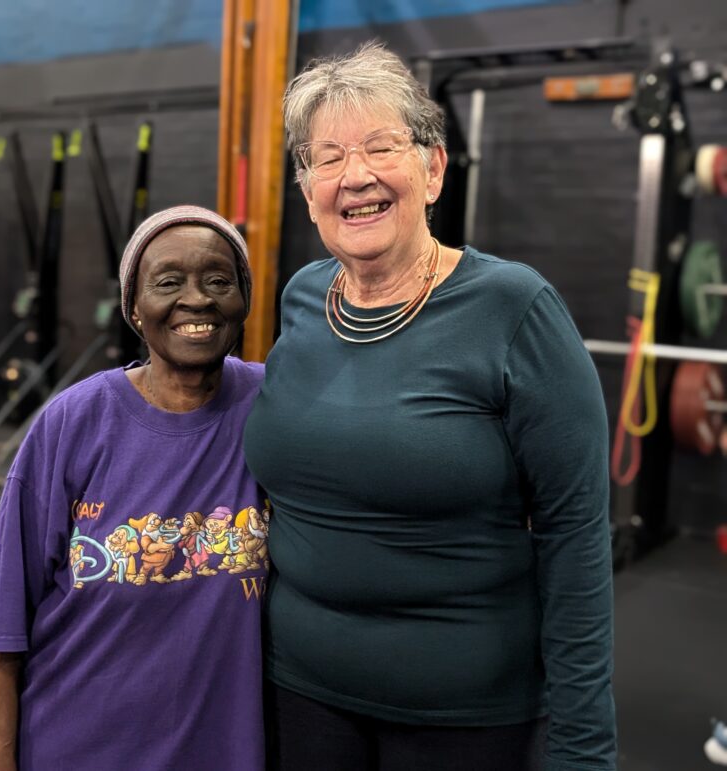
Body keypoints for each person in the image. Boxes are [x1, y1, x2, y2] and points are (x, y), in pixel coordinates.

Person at [243, 43, 616, 770]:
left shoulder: (515, 309)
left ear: (433, 167)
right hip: (299, 698)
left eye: (382, 146)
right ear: (306, 185)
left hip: (466, 719)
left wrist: (584, 752)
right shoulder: (301, 299)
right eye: (328, 157)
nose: (356, 176)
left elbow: (577, 539)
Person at [0, 205, 267, 771]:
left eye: (218, 280)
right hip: (78, 744)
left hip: (225, 750)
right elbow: (3, 617)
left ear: (244, 299)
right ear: (134, 306)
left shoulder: (271, 405)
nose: (197, 299)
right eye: (168, 282)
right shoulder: (73, 422)